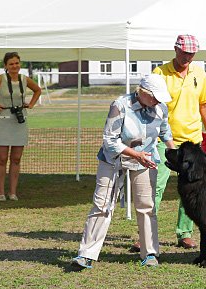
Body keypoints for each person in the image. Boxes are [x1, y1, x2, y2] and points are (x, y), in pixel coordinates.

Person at [70, 75, 175, 270]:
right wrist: (135, 154)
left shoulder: (161, 108)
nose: (157, 101)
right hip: (114, 159)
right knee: (102, 205)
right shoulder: (120, 105)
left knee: (147, 206)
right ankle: (86, 255)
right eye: (154, 97)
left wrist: (175, 152)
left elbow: (165, 132)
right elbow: (110, 140)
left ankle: (150, 253)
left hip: (145, 159)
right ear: (143, 92)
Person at [133, 34, 206, 252]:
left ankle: (185, 233)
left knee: (194, 188)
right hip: (163, 139)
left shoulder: (199, 73)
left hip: (193, 141)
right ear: (176, 50)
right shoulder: (160, 72)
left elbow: (204, 104)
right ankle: (146, 234)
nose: (188, 57)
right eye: (185, 52)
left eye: (192, 53)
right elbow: (149, 103)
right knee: (156, 187)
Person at [0, 52, 41, 201]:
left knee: (16, 158)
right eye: (11, 64)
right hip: (3, 120)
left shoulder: (25, 79)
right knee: (1, 158)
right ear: (6, 66)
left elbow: (38, 90)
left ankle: (13, 192)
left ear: (19, 64)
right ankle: (0, 193)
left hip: (19, 121)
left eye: (17, 63)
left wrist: (31, 104)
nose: (14, 66)